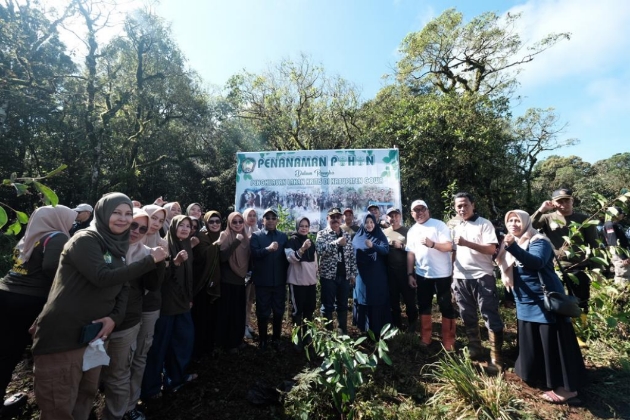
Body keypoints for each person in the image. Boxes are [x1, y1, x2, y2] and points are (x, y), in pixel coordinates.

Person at [31, 193, 166, 420]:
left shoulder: (118, 246)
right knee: (59, 405)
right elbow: (102, 277)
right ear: (102, 213)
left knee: (86, 396)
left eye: (127, 214)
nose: (123, 220)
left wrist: (114, 318)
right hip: (65, 336)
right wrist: (150, 261)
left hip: (94, 338)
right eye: (117, 212)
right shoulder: (86, 239)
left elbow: (123, 288)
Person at [496, 210, 585, 405]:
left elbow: (535, 263)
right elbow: (509, 272)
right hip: (525, 301)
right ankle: (540, 377)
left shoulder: (539, 241)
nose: (513, 223)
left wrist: (511, 247)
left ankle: (566, 388)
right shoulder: (513, 244)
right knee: (533, 339)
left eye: (517, 220)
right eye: (509, 220)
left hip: (545, 301)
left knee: (552, 342)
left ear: (526, 222)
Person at [0, 205, 76, 416]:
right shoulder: (57, 237)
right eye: (69, 218)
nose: (72, 223)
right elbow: (53, 268)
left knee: (5, 352)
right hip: (28, 301)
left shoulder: (29, 237)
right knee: (11, 354)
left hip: (6, 294)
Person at [101, 209, 166, 420]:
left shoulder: (147, 252)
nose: (137, 231)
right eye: (133, 225)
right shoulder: (104, 248)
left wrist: (158, 263)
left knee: (132, 362)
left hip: (133, 317)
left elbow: (152, 286)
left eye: (143, 229)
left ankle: (127, 407)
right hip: (99, 317)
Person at [531, 188, 599, 346]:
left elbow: (594, 244)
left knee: (581, 300)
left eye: (566, 200)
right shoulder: (547, 218)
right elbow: (529, 225)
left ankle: (581, 331)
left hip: (579, 266)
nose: (563, 204)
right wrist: (541, 209)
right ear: (553, 203)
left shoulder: (583, 219)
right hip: (554, 268)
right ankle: (562, 332)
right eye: (559, 201)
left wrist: (596, 269)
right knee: (557, 301)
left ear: (572, 201)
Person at [142, 215, 197, 400]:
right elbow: (157, 280)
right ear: (173, 227)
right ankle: (151, 388)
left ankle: (176, 378)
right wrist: (174, 263)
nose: (184, 228)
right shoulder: (164, 245)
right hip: (166, 305)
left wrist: (189, 298)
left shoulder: (187, 244)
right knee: (159, 346)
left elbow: (189, 277)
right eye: (180, 225)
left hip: (182, 303)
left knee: (183, 342)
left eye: (188, 226)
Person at [451, 192, 503, 369]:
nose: (462, 208)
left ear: (473, 205)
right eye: (459, 206)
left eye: (465, 205)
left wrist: (467, 243)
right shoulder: (456, 226)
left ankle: (496, 357)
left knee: (489, 314)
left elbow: (490, 249)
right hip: (460, 277)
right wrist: (452, 275)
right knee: (467, 314)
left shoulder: (484, 224)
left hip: (482, 276)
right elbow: (454, 252)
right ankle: (475, 347)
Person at [126, 205, 169, 419]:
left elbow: (156, 284)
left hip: (149, 306)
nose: (155, 223)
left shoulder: (161, 245)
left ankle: (131, 403)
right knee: (123, 357)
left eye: (160, 221)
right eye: (152, 218)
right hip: (123, 311)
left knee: (140, 355)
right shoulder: (126, 242)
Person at [405, 200, 456, 350]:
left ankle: (449, 341)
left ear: (428, 210)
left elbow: (449, 246)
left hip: (442, 274)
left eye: (422, 209)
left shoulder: (439, 225)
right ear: (412, 214)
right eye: (416, 210)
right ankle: (426, 338)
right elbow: (410, 254)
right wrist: (410, 274)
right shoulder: (412, 230)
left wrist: (432, 244)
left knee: (446, 306)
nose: (420, 213)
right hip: (422, 274)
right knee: (424, 305)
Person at [250, 208, 289, 350]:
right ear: (263, 220)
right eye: (268, 218)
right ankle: (263, 341)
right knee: (263, 312)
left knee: (278, 311)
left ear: (277, 220)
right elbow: (254, 253)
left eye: (273, 218)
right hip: (263, 282)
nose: (271, 220)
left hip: (279, 281)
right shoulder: (256, 236)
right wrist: (267, 249)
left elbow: (288, 257)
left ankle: (276, 340)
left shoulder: (283, 237)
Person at [316, 207, 358, 334]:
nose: (335, 219)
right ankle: (328, 335)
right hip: (328, 276)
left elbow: (351, 255)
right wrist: (336, 243)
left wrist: (352, 274)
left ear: (341, 219)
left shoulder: (346, 234)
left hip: (344, 276)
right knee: (327, 306)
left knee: (343, 305)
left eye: (338, 217)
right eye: (332, 217)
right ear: (327, 218)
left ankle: (342, 334)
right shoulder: (322, 234)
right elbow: (320, 250)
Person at [215, 212, 250, 352]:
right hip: (227, 281)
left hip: (241, 281)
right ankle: (226, 343)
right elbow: (222, 257)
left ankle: (237, 340)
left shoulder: (246, 238)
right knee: (226, 313)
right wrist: (236, 241)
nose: (237, 224)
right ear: (229, 223)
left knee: (238, 313)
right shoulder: (225, 235)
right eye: (234, 222)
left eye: (240, 221)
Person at [352, 214, 390, 338]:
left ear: (375, 223)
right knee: (364, 300)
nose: (369, 225)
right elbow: (352, 254)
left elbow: (385, 249)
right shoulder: (357, 237)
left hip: (377, 277)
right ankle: (364, 330)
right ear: (363, 224)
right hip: (362, 277)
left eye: (371, 222)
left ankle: (378, 331)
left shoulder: (379, 235)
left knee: (376, 300)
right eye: (367, 222)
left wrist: (373, 246)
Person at [191, 211, 222, 358]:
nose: (215, 224)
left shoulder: (223, 235)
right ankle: (199, 349)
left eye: (217, 221)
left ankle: (209, 347)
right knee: (201, 318)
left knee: (213, 318)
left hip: (216, 283)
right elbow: (201, 257)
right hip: (202, 284)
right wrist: (217, 245)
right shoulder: (201, 237)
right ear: (206, 223)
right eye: (211, 222)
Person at [285, 217, 318, 351]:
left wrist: (316, 275)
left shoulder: (311, 242)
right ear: (297, 226)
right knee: (297, 311)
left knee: (309, 309)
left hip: (310, 282)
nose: (304, 228)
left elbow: (315, 262)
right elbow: (291, 258)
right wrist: (302, 249)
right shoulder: (291, 241)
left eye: (306, 226)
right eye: (301, 226)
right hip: (297, 282)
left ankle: (307, 337)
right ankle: (297, 338)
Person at [382, 207, 416, 331]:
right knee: (393, 302)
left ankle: (413, 325)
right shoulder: (384, 233)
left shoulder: (408, 231)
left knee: (409, 301)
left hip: (405, 272)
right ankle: (397, 326)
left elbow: (414, 250)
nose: (393, 218)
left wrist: (401, 246)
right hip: (390, 273)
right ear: (387, 218)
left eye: (396, 216)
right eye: (391, 216)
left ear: (400, 217)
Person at [243, 207, 259, 340]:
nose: (252, 218)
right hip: (244, 271)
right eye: (249, 215)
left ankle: (247, 323)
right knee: (244, 299)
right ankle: (242, 326)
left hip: (255, 271)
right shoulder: (240, 231)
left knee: (250, 300)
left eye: (254, 215)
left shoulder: (258, 231)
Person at [603, 207, 629, 285]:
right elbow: (612, 242)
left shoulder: (614, 224)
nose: (622, 216)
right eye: (621, 214)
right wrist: (624, 257)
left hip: (621, 252)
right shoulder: (609, 224)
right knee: (623, 274)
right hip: (619, 254)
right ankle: (623, 293)